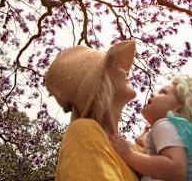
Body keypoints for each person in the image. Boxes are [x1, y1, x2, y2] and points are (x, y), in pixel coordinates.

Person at [109, 75, 192, 181]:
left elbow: (175, 169)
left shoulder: (164, 124)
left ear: (179, 111)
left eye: (163, 92)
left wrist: (129, 154)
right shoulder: (175, 132)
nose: (153, 94)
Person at [45, 39, 140, 180]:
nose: (125, 70)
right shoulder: (83, 132)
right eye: (114, 64)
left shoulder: (131, 151)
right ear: (102, 81)